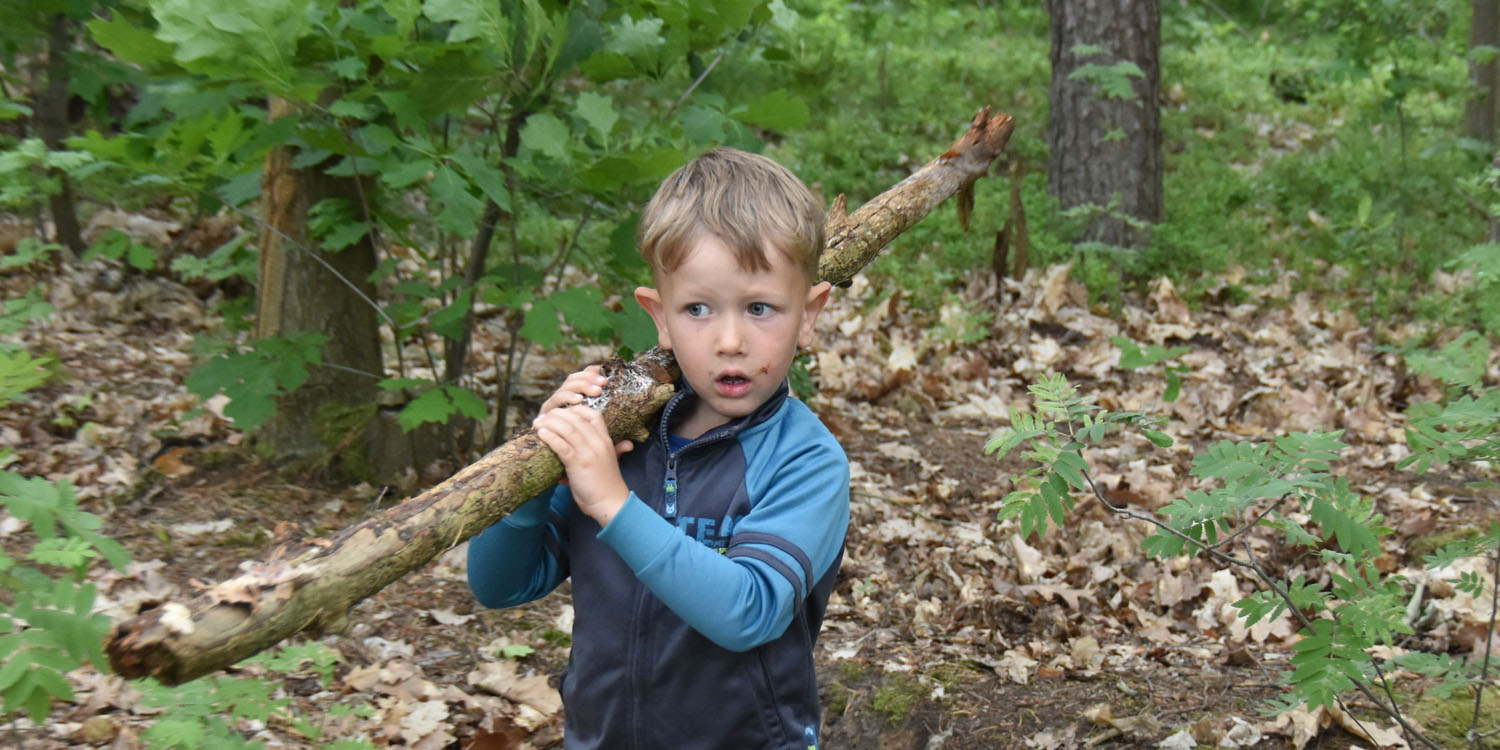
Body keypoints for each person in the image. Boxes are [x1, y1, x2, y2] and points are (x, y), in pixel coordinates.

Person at [466, 147, 850, 750]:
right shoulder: (624, 437)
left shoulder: (805, 460)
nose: (730, 341)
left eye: (760, 308)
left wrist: (613, 505)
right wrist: (534, 474)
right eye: (697, 309)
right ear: (659, 317)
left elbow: (749, 611)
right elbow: (500, 586)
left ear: (809, 314)